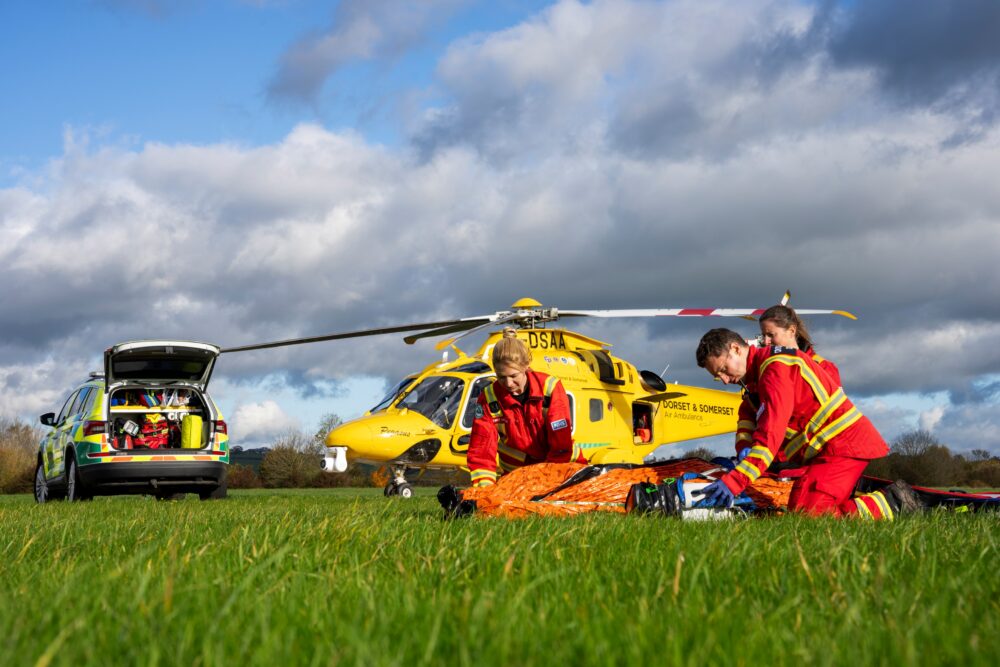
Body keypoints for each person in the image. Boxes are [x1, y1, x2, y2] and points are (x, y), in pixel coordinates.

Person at [695, 328, 920, 519]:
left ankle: (895, 503)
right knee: (799, 508)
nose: (724, 380)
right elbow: (746, 415)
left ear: (736, 348)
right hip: (826, 452)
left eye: (723, 369)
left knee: (810, 514)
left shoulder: (774, 371)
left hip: (844, 447)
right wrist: (743, 449)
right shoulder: (756, 377)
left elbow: (768, 440)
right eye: (718, 376)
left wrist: (734, 482)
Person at [466, 328, 585, 487]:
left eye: (513, 376)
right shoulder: (489, 398)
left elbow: (560, 443)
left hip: (562, 469)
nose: (508, 384)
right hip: (517, 477)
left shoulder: (550, 388)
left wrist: (547, 483)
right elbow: (481, 451)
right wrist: (484, 490)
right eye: (502, 377)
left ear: (526, 366)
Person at [734, 305, 841, 465]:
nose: (766, 341)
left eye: (771, 335)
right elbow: (746, 415)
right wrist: (744, 445)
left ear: (792, 331)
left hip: (814, 460)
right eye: (763, 335)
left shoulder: (823, 368)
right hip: (771, 462)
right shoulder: (762, 372)